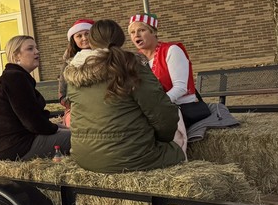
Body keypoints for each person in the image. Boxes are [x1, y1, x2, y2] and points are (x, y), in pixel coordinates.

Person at [64, 19, 185, 172]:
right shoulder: (131, 66)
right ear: (121, 39)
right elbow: (161, 112)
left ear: (92, 41)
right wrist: (163, 139)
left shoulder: (74, 72)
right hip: (129, 157)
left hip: (83, 157)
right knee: (176, 152)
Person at [0, 35, 71, 160]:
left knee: (73, 133)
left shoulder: (15, 76)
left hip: (10, 144)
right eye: (30, 49)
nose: (37, 51)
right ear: (16, 55)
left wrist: (59, 127)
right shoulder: (15, 78)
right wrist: (56, 129)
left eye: (36, 48)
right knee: (83, 139)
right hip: (17, 146)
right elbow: (32, 122)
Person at [128, 13, 211, 127]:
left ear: (154, 32)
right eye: (132, 32)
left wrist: (157, 106)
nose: (136, 35)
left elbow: (180, 87)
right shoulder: (136, 59)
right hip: (156, 110)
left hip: (181, 107)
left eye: (141, 30)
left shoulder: (172, 50)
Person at [58, 18, 94, 127]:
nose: (84, 38)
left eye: (87, 34)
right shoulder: (68, 64)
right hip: (76, 109)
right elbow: (62, 94)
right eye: (79, 36)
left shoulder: (106, 57)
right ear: (73, 39)